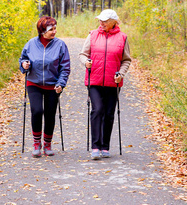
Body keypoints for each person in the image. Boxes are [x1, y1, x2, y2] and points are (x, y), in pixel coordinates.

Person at [79, 9, 132, 160]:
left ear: (114, 21)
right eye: (100, 20)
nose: (101, 23)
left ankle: (105, 146)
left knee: (109, 114)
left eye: (105, 21)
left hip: (113, 82)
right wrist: (86, 62)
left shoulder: (123, 38)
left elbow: (126, 60)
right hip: (94, 80)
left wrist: (121, 74)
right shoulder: (93, 35)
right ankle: (95, 147)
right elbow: (83, 54)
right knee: (98, 110)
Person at [19, 16, 71, 157]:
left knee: (50, 114)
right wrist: (24, 65)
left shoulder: (60, 45)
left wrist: (61, 83)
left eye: (55, 28)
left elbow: (65, 67)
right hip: (34, 83)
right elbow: (23, 59)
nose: (54, 32)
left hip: (52, 85)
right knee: (36, 111)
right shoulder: (31, 44)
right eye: (50, 29)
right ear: (42, 30)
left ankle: (47, 144)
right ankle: (37, 143)